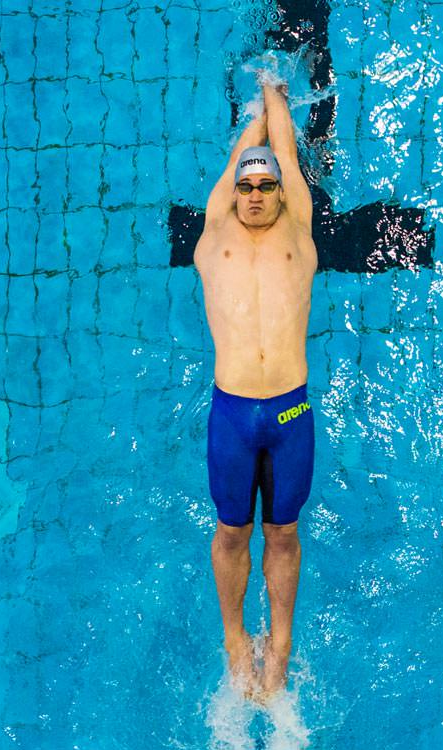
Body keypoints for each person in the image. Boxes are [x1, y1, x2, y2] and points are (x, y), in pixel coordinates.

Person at [194, 82, 317, 696]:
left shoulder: (299, 231)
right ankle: (235, 636)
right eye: (246, 185)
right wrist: (253, 121)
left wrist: (276, 99)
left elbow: (286, 159)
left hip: (291, 409)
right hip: (232, 413)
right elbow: (239, 164)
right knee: (232, 532)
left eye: (265, 186)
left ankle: (283, 640)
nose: (254, 195)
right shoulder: (214, 234)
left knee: (285, 534)